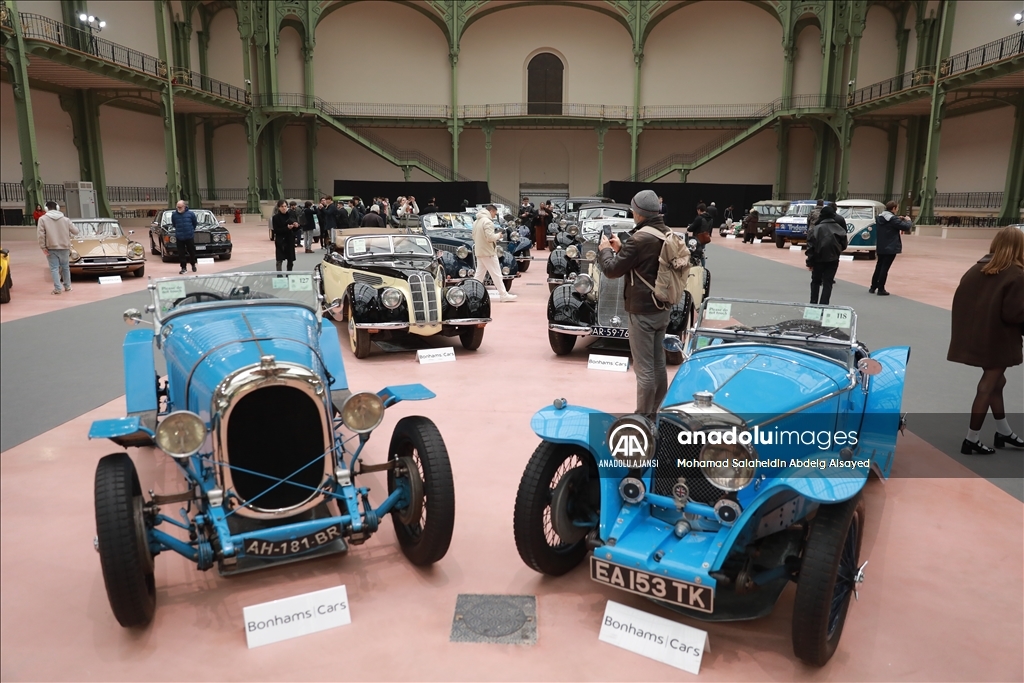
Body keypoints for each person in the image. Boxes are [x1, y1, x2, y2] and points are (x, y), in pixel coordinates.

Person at [947, 227, 1024, 455]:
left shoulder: (977, 268)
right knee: (988, 385)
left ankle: (1003, 431)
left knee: (997, 383)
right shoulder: (1016, 274)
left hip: (975, 336)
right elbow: (1014, 314)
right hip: (999, 340)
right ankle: (972, 438)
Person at [597, 189, 671, 417]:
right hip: (662, 307)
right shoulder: (665, 233)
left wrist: (606, 251)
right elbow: (645, 265)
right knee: (659, 364)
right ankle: (656, 411)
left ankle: (642, 417)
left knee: (644, 368)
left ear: (638, 213)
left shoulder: (639, 239)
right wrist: (621, 249)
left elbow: (611, 270)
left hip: (642, 311)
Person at [805, 204, 848, 305]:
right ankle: (824, 305)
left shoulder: (815, 229)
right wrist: (836, 251)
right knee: (828, 283)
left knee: (815, 281)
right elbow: (844, 245)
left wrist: (809, 262)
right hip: (833, 259)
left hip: (817, 259)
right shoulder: (840, 229)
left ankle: (813, 303)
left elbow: (810, 247)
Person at [472, 204, 516, 302]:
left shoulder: (476, 222)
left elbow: (473, 236)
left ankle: (472, 293)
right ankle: (503, 294)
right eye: (494, 214)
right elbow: (490, 238)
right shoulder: (488, 222)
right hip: (488, 252)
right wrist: (499, 235)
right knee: (496, 274)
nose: (494, 216)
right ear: (491, 211)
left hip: (480, 251)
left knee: (479, 275)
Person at [870, 201, 913, 295]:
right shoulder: (893, 219)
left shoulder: (879, 217)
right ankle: (881, 289)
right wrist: (908, 220)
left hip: (881, 245)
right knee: (885, 268)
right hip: (890, 247)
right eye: (897, 208)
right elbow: (905, 227)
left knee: (879, 266)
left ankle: (873, 287)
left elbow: (889, 221)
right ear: (893, 208)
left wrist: (898, 218)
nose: (897, 210)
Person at [37, 200, 79, 295]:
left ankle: (57, 288)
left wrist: (43, 247)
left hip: (50, 248)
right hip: (64, 247)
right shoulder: (66, 219)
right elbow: (76, 231)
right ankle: (68, 286)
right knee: (65, 267)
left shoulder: (42, 219)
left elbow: (40, 235)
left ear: (46, 209)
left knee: (54, 268)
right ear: (57, 208)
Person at [171, 200, 198, 275]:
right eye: (177, 207)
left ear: (184, 206)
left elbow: (194, 223)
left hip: (189, 235)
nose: (178, 208)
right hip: (179, 236)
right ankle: (183, 267)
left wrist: (191, 230)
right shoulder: (174, 215)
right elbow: (174, 224)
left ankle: (193, 264)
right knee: (181, 253)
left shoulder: (191, 214)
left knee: (191, 251)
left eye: (180, 207)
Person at [272, 199, 299, 271]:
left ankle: (289, 275)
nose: (284, 208)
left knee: (290, 260)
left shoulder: (291, 215)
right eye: (282, 206)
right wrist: (287, 228)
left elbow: (295, 229)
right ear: (279, 207)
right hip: (280, 240)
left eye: (285, 206)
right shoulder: (275, 217)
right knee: (279, 260)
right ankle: (279, 276)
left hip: (289, 240)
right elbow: (276, 230)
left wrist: (296, 226)